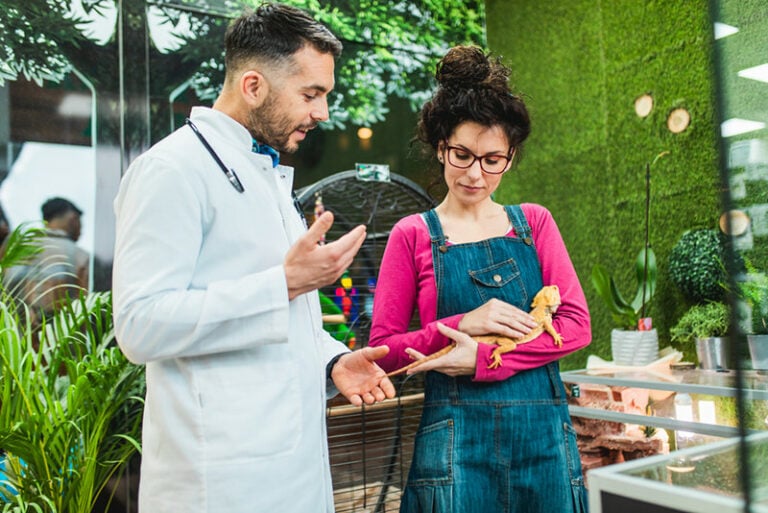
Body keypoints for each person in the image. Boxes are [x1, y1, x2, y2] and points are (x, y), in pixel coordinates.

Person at [111, 4, 395, 513]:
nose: (323, 113)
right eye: (311, 94)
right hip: (218, 485)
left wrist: (332, 361)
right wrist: (284, 283)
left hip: (294, 470)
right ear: (253, 86)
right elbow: (139, 325)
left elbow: (282, 322)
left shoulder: (265, 174)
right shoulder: (170, 171)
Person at [368, 45, 591, 512]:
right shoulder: (413, 235)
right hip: (455, 449)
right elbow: (383, 354)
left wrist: (486, 358)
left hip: (543, 448)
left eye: (493, 160)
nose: (476, 174)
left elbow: (575, 325)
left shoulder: (534, 224)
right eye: (462, 155)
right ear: (440, 146)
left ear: (510, 157)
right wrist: (460, 328)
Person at [2, 197, 89, 317]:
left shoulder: (15, 247)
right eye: (81, 224)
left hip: (10, 332)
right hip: (59, 334)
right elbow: (83, 309)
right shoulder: (79, 256)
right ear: (73, 219)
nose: (81, 231)